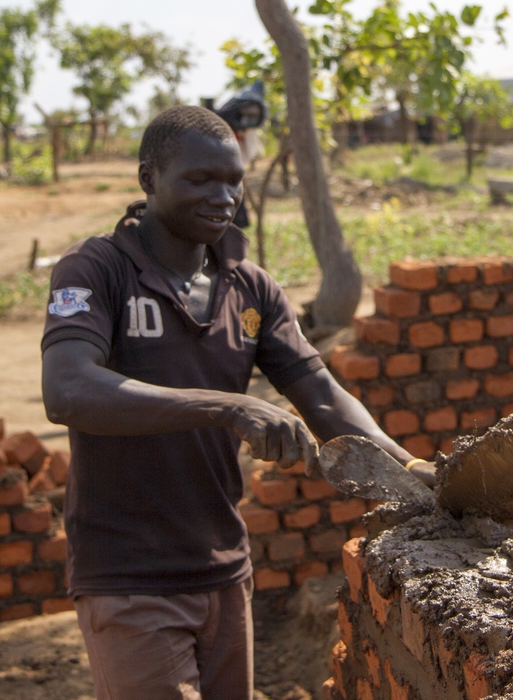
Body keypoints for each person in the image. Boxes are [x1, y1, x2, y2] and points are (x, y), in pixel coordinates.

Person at [40, 105, 433, 700]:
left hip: (224, 570)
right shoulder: (98, 270)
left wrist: (409, 470)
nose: (223, 196)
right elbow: (67, 388)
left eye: (233, 179)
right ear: (149, 180)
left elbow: (321, 395)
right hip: (129, 576)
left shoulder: (249, 287)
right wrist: (226, 406)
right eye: (200, 180)